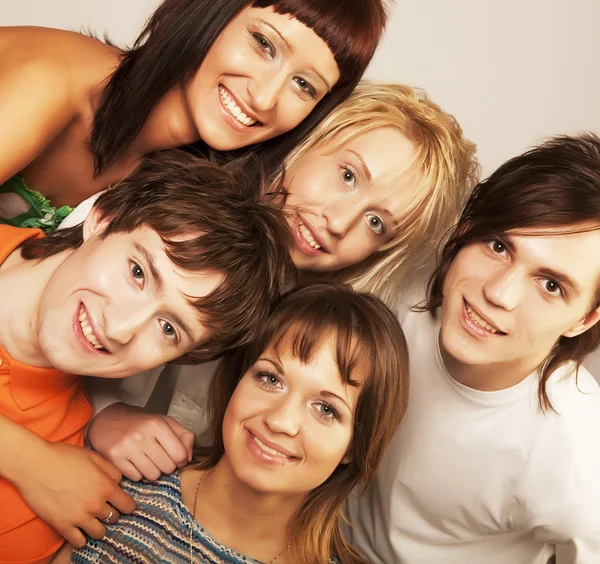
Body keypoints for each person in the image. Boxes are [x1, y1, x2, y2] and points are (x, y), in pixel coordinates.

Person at [82, 82, 480, 483]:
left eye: (376, 223)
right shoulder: (169, 202)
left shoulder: (309, 325)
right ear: (311, 138)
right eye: (347, 175)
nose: (339, 223)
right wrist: (101, 415)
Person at [0, 150, 292, 563]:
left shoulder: (48, 502)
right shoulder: (42, 470)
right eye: (138, 272)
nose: (120, 329)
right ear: (102, 217)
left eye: (169, 329)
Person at [344, 133, 600, 564]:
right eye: (499, 246)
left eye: (551, 285)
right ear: (465, 230)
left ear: (584, 319)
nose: (499, 293)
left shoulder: (577, 459)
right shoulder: (390, 287)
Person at [56, 283, 409, 564]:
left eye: (326, 409)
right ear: (238, 379)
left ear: (353, 446)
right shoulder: (116, 488)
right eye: (271, 379)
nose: (280, 420)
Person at [0, 0, 388, 230]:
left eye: (304, 85)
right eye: (264, 44)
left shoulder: (178, 177)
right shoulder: (49, 83)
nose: (265, 97)